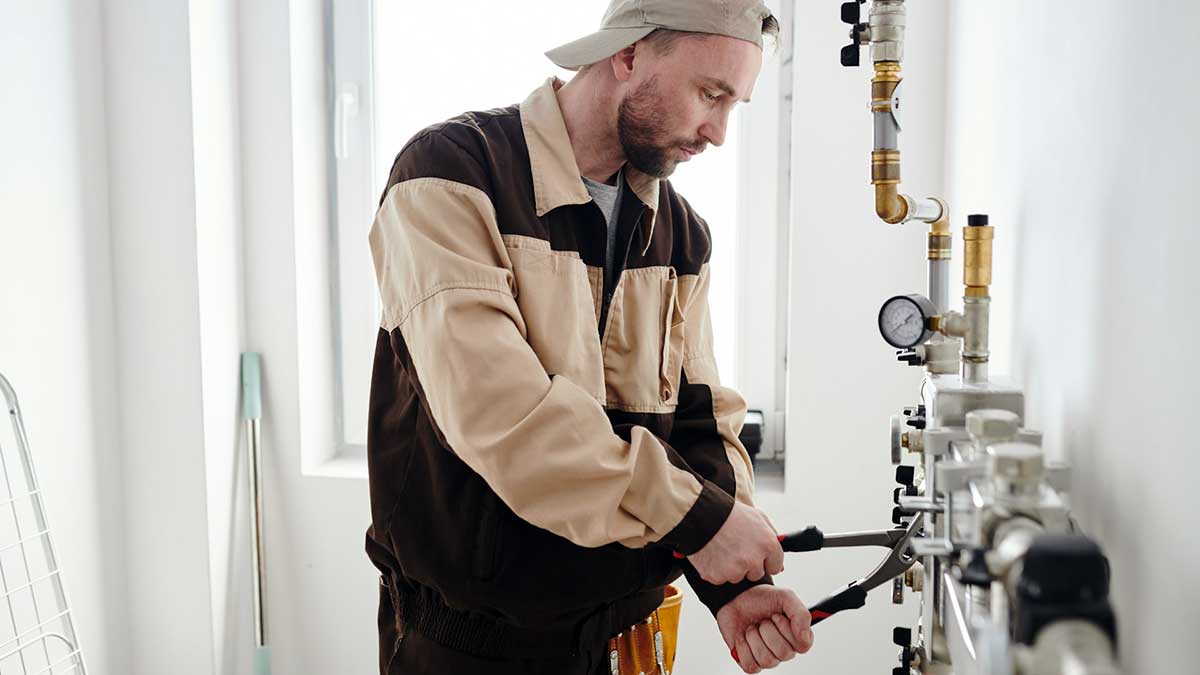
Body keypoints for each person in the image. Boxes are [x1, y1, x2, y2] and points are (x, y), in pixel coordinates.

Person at [365, 1, 813, 673]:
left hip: (628, 640)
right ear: (628, 55)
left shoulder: (680, 233)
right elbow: (506, 418)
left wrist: (733, 584)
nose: (718, 131)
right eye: (710, 93)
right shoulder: (450, 177)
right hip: (470, 650)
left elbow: (700, 420)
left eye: (734, 105)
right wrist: (702, 524)